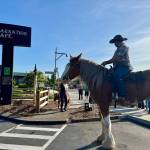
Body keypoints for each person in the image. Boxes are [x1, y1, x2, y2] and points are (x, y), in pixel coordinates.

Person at [101, 34, 132, 100]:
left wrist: (105, 62)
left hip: (124, 67)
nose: (114, 44)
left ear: (119, 41)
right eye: (114, 42)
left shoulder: (124, 47)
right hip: (117, 67)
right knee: (108, 75)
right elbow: (114, 59)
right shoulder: (117, 49)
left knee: (117, 75)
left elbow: (116, 59)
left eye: (115, 42)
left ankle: (122, 96)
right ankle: (113, 93)